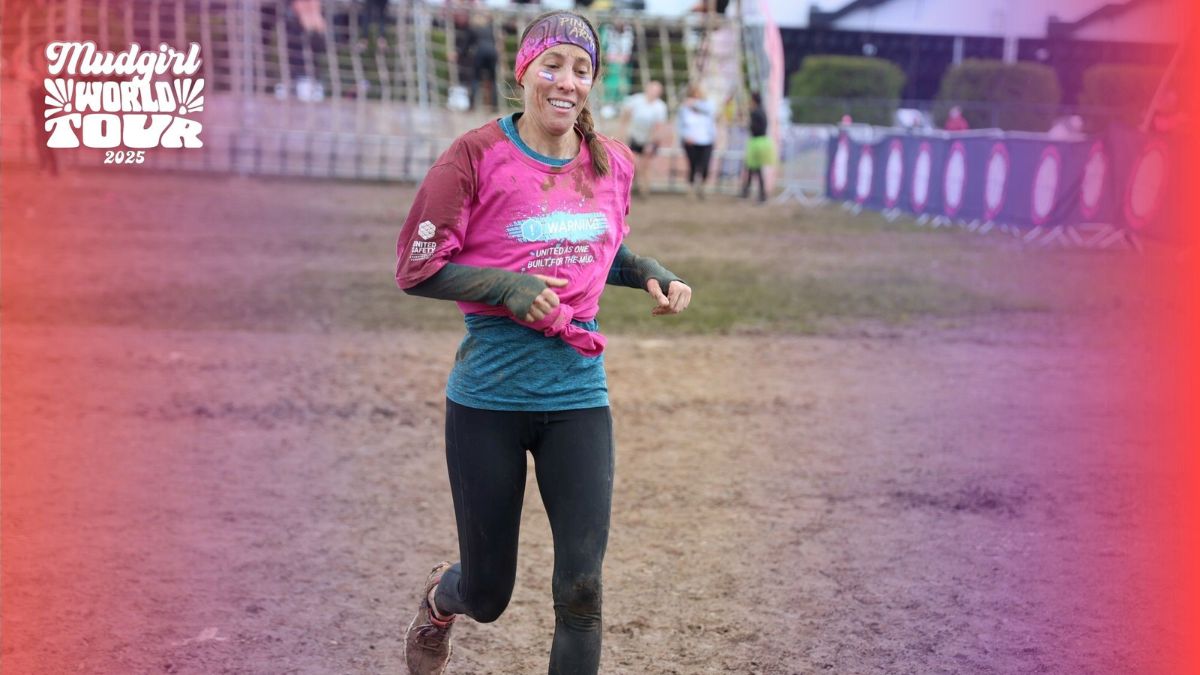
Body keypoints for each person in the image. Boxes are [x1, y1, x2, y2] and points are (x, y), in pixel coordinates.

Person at [394, 11, 693, 675]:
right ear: (524, 71)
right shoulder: (472, 157)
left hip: (577, 396)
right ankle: (443, 599)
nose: (567, 81)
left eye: (581, 69)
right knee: (488, 595)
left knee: (582, 590)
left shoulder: (611, 162)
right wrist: (506, 287)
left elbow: (596, 251)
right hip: (488, 399)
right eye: (552, 65)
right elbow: (415, 268)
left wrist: (650, 271)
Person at [620, 80, 669, 198]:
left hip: (650, 138)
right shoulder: (637, 100)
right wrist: (623, 130)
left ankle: (645, 189)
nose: (653, 92)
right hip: (635, 136)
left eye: (657, 91)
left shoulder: (660, 107)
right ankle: (636, 186)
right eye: (652, 89)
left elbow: (658, 127)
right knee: (634, 164)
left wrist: (651, 143)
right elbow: (625, 114)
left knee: (646, 165)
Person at [677, 83, 717, 198]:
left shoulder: (707, 105)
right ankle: (691, 188)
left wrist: (695, 104)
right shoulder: (684, 108)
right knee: (692, 165)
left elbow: (710, 110)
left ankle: (702, 187)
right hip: (691, 141)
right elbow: (680, 125)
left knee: (705, 165)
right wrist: (685, 136)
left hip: (706, 140)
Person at [741, 92, 775, 203]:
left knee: (756, 169)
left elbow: (753, 128)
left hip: (757, 143)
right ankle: (746, 191)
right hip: (761, 142)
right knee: (752, 168)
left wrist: (747, 121)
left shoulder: (755, 112)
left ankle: (760, 194)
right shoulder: (762, 111)